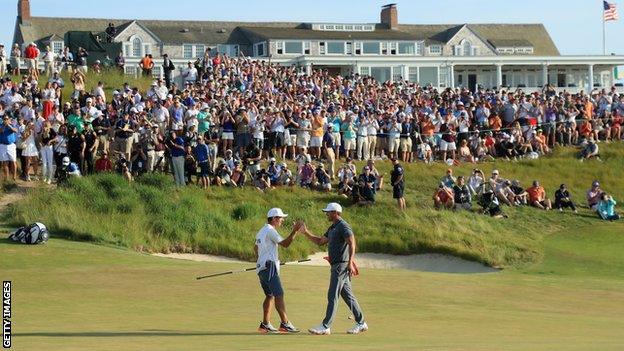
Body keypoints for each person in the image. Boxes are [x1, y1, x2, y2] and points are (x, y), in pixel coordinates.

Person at [301, 202, 368, 335]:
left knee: (332, 295)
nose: (326, 214)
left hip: (341, 266)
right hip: (336, 265)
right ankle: (361, 322)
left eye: (329, 212)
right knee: (348, 296)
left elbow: (352, 243)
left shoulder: (343, 226)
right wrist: (305, 232)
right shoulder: (332, 228)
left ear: (336, 213)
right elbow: (320, 241)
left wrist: (350, 262)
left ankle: (326, 326)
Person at [255, 208, 301, 333]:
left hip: (261, 268)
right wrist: (295, 231)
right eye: (281, 217)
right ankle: (285, 323)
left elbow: (255, 249)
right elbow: (285, 244)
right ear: (274, 218)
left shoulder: (261, 231)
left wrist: (262, 258)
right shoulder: (271, 231)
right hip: (269, 267)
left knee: (269, 295)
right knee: (278, 294)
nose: (282, 220)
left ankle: (265, 324)